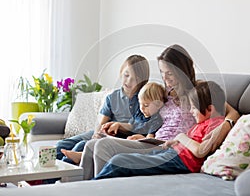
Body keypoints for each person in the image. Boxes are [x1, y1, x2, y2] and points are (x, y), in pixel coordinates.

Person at [79, 44, 240, 180]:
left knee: (103, 146)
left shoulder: (199, 92)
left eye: (169, 73)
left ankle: (98, 188)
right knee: (93, 145)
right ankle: (78, 188)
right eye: (162, 72)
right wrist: (143, 133)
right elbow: (148, 116)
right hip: (154, 142)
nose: (165, 77)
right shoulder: (164, 93)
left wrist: (225, 126)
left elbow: (232, 112)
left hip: (171, 148)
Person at [93, 80, 226, 179]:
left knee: (119, 162)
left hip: (181, 162)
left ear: (210, 109)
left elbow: (200, 151)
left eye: (194, 108)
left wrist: (180, 137)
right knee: (120, 159)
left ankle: (91, 187)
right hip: (171, 153)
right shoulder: (202, 123)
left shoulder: (217, 124)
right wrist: (173, 142)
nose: (191, 111)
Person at [56, 54, 150, 164]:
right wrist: (97, 134)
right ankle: (43, 178)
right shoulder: (113, 97)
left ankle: (64, 174)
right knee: (60, 146)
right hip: (105, 132)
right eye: (126, 75)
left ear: (142, 81)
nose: (128, 81)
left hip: (122, 137)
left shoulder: (143, 99)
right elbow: (101, 123)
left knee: (80, 146)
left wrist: (118, 126)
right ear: (121, 73)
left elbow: (140, 127)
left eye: (135, 79)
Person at [61, 82, 167, 164]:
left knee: (97, 146)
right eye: (140, 104)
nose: (142, 108)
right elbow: (131, 126)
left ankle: (80, 157)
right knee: (84, 144)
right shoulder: (140, 114)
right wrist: (118, 125)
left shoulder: (155, 120)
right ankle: (62, 170)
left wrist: (139, 138)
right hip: (126, 140)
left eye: (146, 105)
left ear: (158, 105)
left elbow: (150, 141)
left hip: (134, 145)